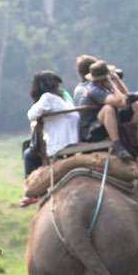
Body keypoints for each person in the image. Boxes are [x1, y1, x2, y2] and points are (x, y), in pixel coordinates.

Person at [20, 70, 79, 206]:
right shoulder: (63, 97)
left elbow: (31, 115)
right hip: (74, 138)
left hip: (60, 143)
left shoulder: (47, 98)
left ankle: (33, 192)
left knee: (28, 154)